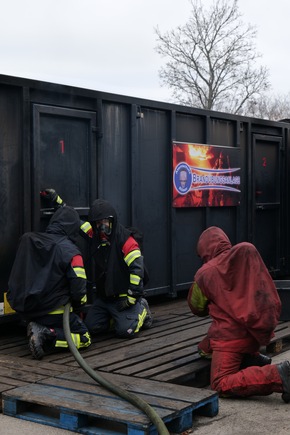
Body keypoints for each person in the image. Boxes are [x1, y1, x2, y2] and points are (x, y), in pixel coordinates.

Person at [187, 226, 290, 403]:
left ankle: (278, 375)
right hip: (255, 332)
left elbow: (197, 307)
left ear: (204, 251)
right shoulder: (245, 258)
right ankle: (252, 358)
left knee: (221, 383)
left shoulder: (205, 273)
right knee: (205, 348)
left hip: (231, 338)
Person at [41, 189, 153, 339]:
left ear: (112, 220)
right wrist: (58, 202)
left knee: (126, 331)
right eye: (99, 223)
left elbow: (137, 270)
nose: (102, 226)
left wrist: (132, 298)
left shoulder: (126, 241)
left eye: (106, 221)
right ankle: (117, 318)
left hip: (123, 298)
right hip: (105, 299)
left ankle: (141, 310)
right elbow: (75, 221)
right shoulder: (94, 235)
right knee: (92, 328)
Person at [7, 206, 91, 360]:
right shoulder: (71, 252)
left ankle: (38, 327)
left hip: (28, 312)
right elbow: (79, 288)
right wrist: (80, 306)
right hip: (54, 313)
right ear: (73, 228)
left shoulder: (30, 240)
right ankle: (47, 334)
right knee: (84, 337)